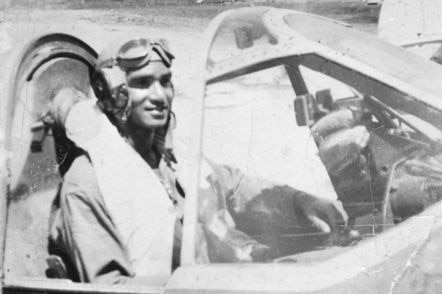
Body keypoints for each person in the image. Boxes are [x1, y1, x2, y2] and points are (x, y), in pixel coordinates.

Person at [48, 37, 348, 285]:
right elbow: (110, 287)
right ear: (111, 92)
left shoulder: (171, 154)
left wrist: (299, 202)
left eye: (165, 82)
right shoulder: (87, 183)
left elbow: (234, 186)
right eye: (142, 83)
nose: (159, 96)